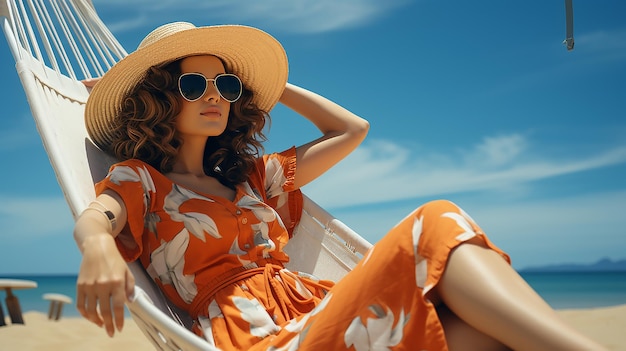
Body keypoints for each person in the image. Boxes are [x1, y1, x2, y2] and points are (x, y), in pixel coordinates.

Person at [74, 22, 606, 351]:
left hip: (325, 317)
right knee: (437, 219)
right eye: (193, 84)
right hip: (263, 340)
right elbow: (99, 216)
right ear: (163, 97)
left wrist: (268, 86)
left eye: (226, 84)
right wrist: (98, 247)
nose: (214, 95)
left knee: (485, 335)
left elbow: (350, 130)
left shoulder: (254, 180)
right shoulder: (143, 182)